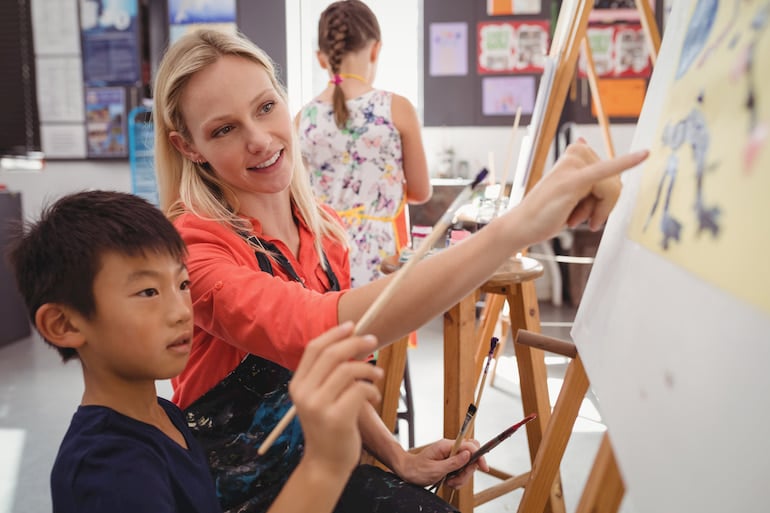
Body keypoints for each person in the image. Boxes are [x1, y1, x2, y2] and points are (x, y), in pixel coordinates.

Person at [152, 29, 647, 513]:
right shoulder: (194, 244)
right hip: (237, 496)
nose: (259, 140)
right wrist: (512, 230)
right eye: (224, 129)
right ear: (189, 146)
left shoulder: (324, 232)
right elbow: (315, 329)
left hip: (326, 474)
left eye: (265, 107)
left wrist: (399, 457)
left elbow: (335, 367)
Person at [8, 190, 387, 513]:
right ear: (65, 324)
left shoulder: (165, 416)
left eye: (183, 284)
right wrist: (324, 465)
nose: (180, 312)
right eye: (147, 292)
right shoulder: (107, 469)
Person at [297, 0, 431, 288]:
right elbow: (420, 191)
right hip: (382, 255)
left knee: (334, 329)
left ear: (322, 58)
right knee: (384, 331)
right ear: (375, 49)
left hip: (323, 255)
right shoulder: (396, 108)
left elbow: (296, 199)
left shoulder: (302, 119)